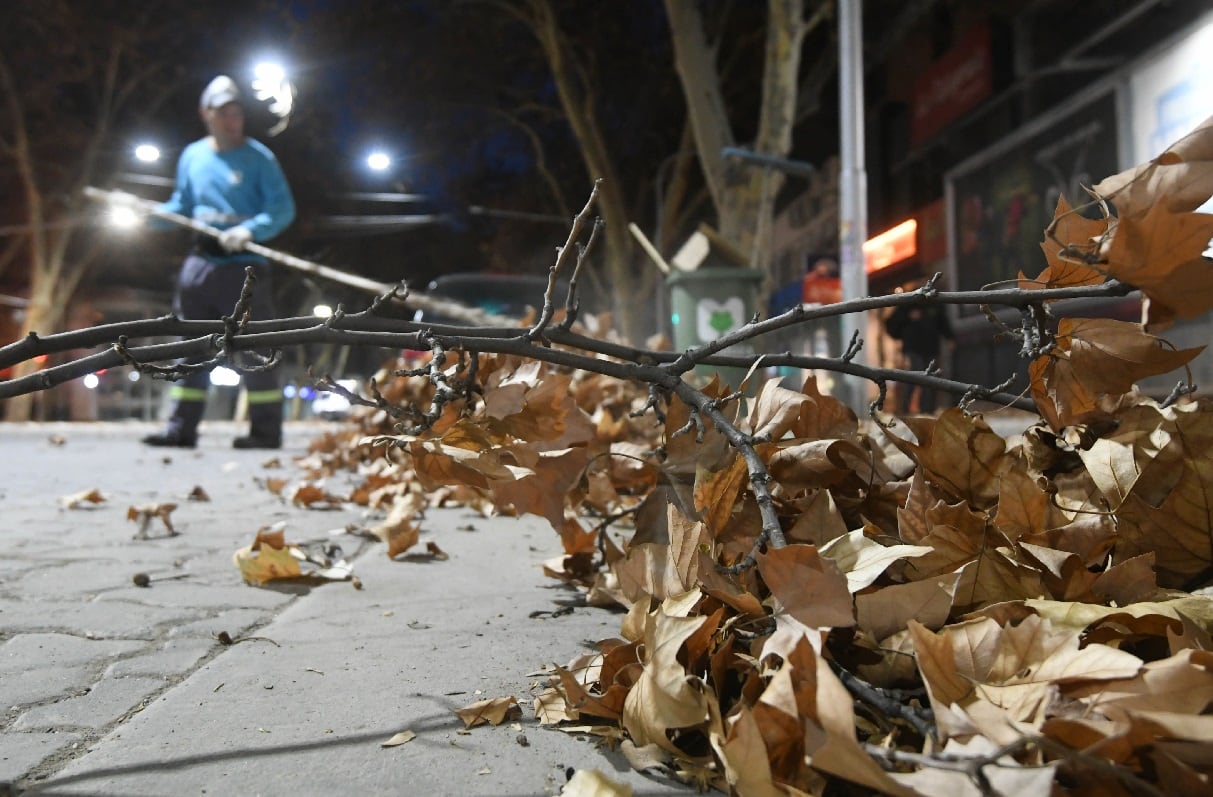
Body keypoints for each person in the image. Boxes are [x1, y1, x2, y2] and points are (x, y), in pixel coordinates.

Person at [140, 75, 296, 449]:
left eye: (237, 112)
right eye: (224, 112)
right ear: (206, 113)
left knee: (254, 347)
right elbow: (182, 205)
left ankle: (265, 432)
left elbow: (282, 209)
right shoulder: (194, 155)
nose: (232, 120)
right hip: (201, 264)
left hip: (244, 267)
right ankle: (181, 429)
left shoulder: (259, 158)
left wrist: (251, 230)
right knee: (189, 346)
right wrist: (151, 215)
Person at [885, 300, 954, 414]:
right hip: (913, 348)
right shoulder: (908, 303)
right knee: (913, 376)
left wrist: (950, 337)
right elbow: (892, 323)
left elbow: (942, 321)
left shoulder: (934, 304)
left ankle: (927, 411)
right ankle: (904, 410)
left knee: (930, 380)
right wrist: (907, 318)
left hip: (931, 348)